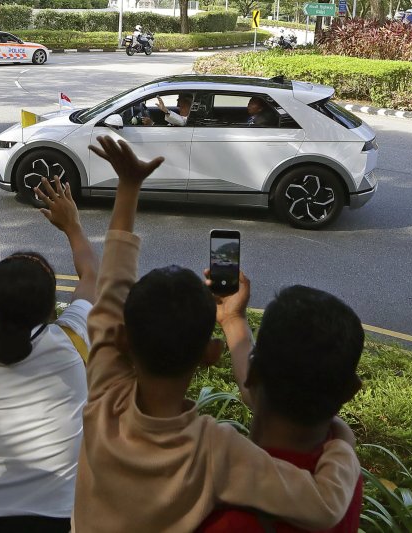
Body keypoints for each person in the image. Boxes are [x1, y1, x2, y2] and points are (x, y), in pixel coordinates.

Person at [72, 135, 362, 532]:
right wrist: (341, 443)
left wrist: (128, 186)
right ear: (210, 355)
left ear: (122, 340)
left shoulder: (104, 399)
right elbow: (325, 504)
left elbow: (112, 285)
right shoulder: (217, 451)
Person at [0, 177, 98, 533]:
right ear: (51, 305)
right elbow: (92, 274)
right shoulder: (71, 341)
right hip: (47, 518)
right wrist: (72, 226)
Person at [197, 280, 364, 532]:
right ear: (349, 391)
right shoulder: (342, 473)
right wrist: (233, 319)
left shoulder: (230, 519)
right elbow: (257, 385)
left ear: (253, 374)